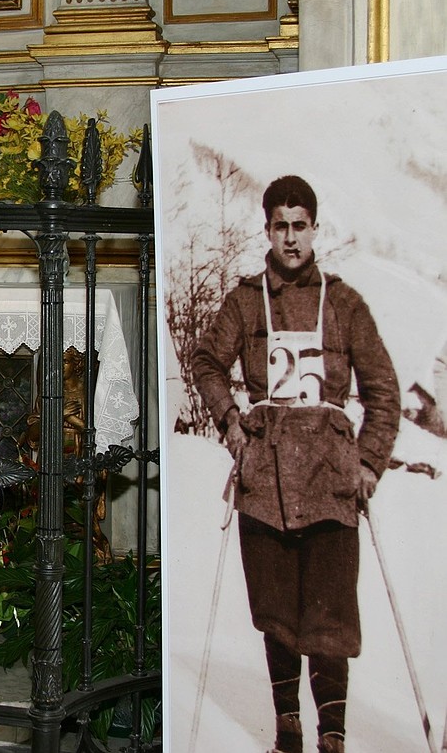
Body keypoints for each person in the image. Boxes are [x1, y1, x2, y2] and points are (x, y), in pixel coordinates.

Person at [191, 175, 400, 753]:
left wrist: (370, 466)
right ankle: (287, 727)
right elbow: (205, 359)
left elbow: (384, 391)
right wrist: (230, 420)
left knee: (330, 617)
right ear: (268, 229)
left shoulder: (345, 303)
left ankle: (332, 735)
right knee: (277, 613)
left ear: (314, 228)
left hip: (333, 482)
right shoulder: (243, 300)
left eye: (299, 225)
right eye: (279, 225)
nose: (289, 237)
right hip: (265, 479)